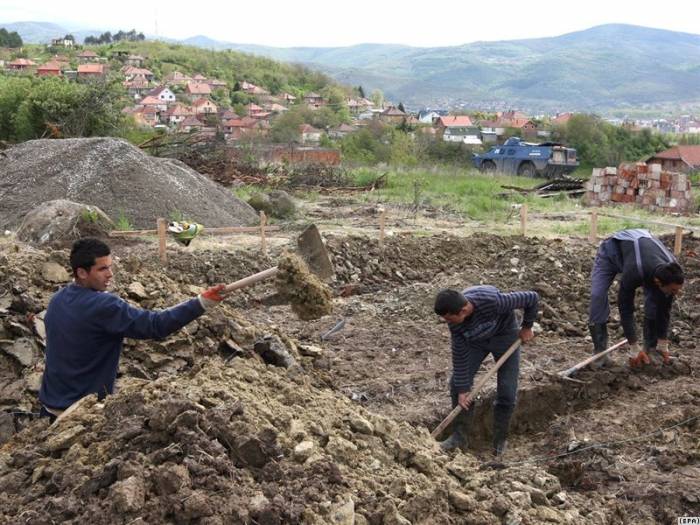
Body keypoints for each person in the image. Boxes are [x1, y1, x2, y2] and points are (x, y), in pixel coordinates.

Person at [39, 237, 227, 422]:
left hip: (49, 409)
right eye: (102, 268)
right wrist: (202, 302)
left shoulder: (58, 299)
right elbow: (155, 325)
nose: (110, 274)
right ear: (81, 273)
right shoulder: (103, 305)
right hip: (79, 415)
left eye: (110, 266)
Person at [433, 286, 539, 456]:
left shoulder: (492, 302)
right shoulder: (455, 325)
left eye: (450, 319)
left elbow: (532, 297)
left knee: (507, 391)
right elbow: (459, 355)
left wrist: (527, 327)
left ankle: (500, 440)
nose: (448, 323)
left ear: (463, 310)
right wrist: (462, 389)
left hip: (505, 336)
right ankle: (459, 438)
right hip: (476, 342)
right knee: (457, 384)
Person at [588, 229, 684, 369]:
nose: (677, 293)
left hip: (643, 256)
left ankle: (650, 349)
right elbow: (625, 307)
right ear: (658, 282)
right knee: (597, 295)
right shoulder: (635, 271)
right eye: (674, 290)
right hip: (612, 252)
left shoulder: (672, 271)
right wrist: (633, 345)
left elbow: (664, 308)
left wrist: (663, 342)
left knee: (655, 302)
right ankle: (600, 352)